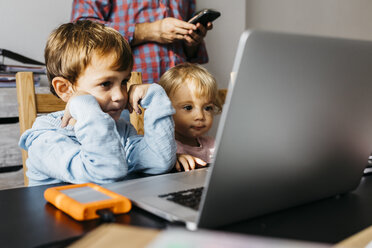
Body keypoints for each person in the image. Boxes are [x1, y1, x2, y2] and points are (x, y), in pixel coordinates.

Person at [18, 20, 176, 186]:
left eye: (124, 82)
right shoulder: (44, 140)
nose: (120, 96)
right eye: (105, 84)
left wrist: (155, 96)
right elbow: (106, 172)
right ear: (65, 89)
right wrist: (83, 104)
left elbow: (159, 161)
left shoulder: (120, 130)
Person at [71, 0, 212, 84]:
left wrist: (191, 40)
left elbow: (190, 52)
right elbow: (82, 30)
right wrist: (152, 31)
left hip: (181, 92)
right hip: (126, 94)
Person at [158, 62, 222, 172]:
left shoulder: (212, 145)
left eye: (207, 108)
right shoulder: (165, 148)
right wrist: (173, 160)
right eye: (188, 107)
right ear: (166, 109)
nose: (200, 116)